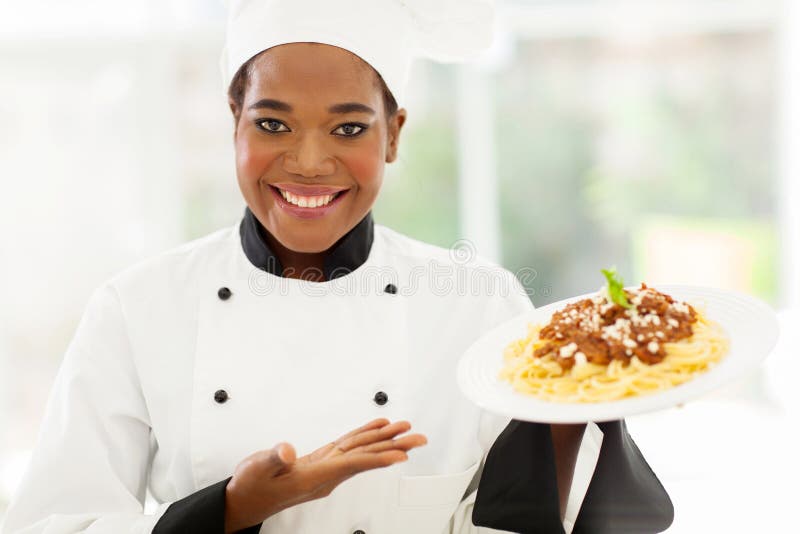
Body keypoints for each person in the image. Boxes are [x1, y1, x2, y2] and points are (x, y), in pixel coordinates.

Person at [0, 1, 674, 533]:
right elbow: (55, 525)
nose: (309, 162)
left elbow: (517, 525)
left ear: (395, 134)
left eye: (349, 128)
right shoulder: (137, 309)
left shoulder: (480, 303)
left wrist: (572, 417)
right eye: (272, 124)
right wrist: (230, 510)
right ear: (233, 119)